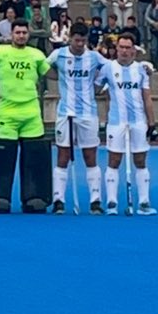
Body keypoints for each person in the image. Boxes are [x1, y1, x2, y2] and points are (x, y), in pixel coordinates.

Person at [0, 19, 51, 213]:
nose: (21, 35)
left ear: (28, 34)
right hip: (7, 111)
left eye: (24, 32)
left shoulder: (37, 55)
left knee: (34, 158)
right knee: (2, 158)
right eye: (17, 32)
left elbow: (50, 74)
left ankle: (35, 197)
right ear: (11, 34)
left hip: (31, 113)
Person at [47, 21, 106, 214]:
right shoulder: (59, 54)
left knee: (90, 156)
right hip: (66, 113)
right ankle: (58, 200)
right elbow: (43, 67)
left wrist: (99, 85)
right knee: (63, 156)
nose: (80, 44)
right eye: (77, 40)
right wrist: (58, 77)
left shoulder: (94, 57)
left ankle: (95, 200)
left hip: (88, 114)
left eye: (83, 41)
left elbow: (110, 71)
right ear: (70, 38)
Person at [98, 32, 157, 215]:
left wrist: (152, 123)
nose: (124, 51)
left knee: (140, 160)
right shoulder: (108, 68)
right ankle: (112, 203)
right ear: (116, 49)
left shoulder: (141, 69)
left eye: (127, 47)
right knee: (114, 160)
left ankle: (144, 202)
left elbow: (147, 97)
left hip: (138, 121)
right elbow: (96, 88)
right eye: (121, 47)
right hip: (116, 121)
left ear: (134, 50)